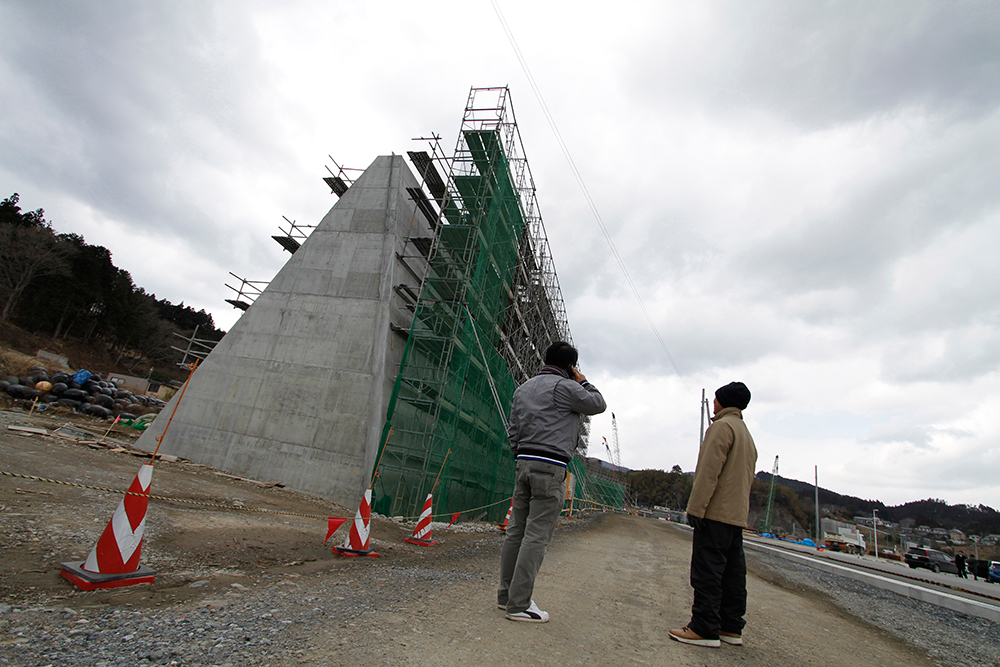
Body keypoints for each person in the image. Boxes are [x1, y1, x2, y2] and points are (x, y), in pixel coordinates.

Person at [498, 341, 607, 622]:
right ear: (570, 367)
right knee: (536, 535)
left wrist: (520, 454)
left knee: (516, 531)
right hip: (551, 467)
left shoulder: (524, 388)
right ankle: (519, 604)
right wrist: (584, 382)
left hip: (524, 463)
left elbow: (513, 429)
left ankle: (506, 595)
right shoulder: (567, 387)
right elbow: (598, 404)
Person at [670, 382, 757, 648]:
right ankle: (730, 627)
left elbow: (708, 472)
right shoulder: (745, 433)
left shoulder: (721, 427)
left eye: (716, 399)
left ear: (722, 402)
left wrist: (695, 509)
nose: (714, 404)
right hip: (735, 517)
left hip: (715, 514)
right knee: (732, 574)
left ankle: (703, 628)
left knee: (707, 571)